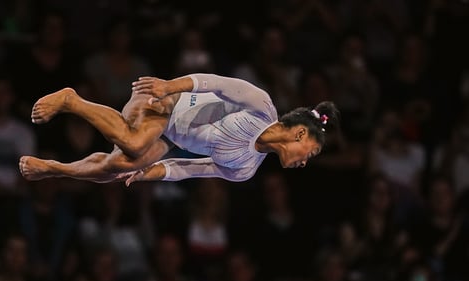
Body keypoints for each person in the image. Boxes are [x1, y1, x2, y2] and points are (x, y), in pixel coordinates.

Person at [19, 73, 339, 185]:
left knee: (118, 168)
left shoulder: (244, 169)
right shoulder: (260, 106)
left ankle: (55, 169)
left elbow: (186, 169)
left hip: (170, 138)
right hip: (165, 101)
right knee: (134, 143)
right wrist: (167, 85)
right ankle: (71, 100)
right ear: (299, 134)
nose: (304, 162)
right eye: (309, 152)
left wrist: (147, 173)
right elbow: (215, 82)